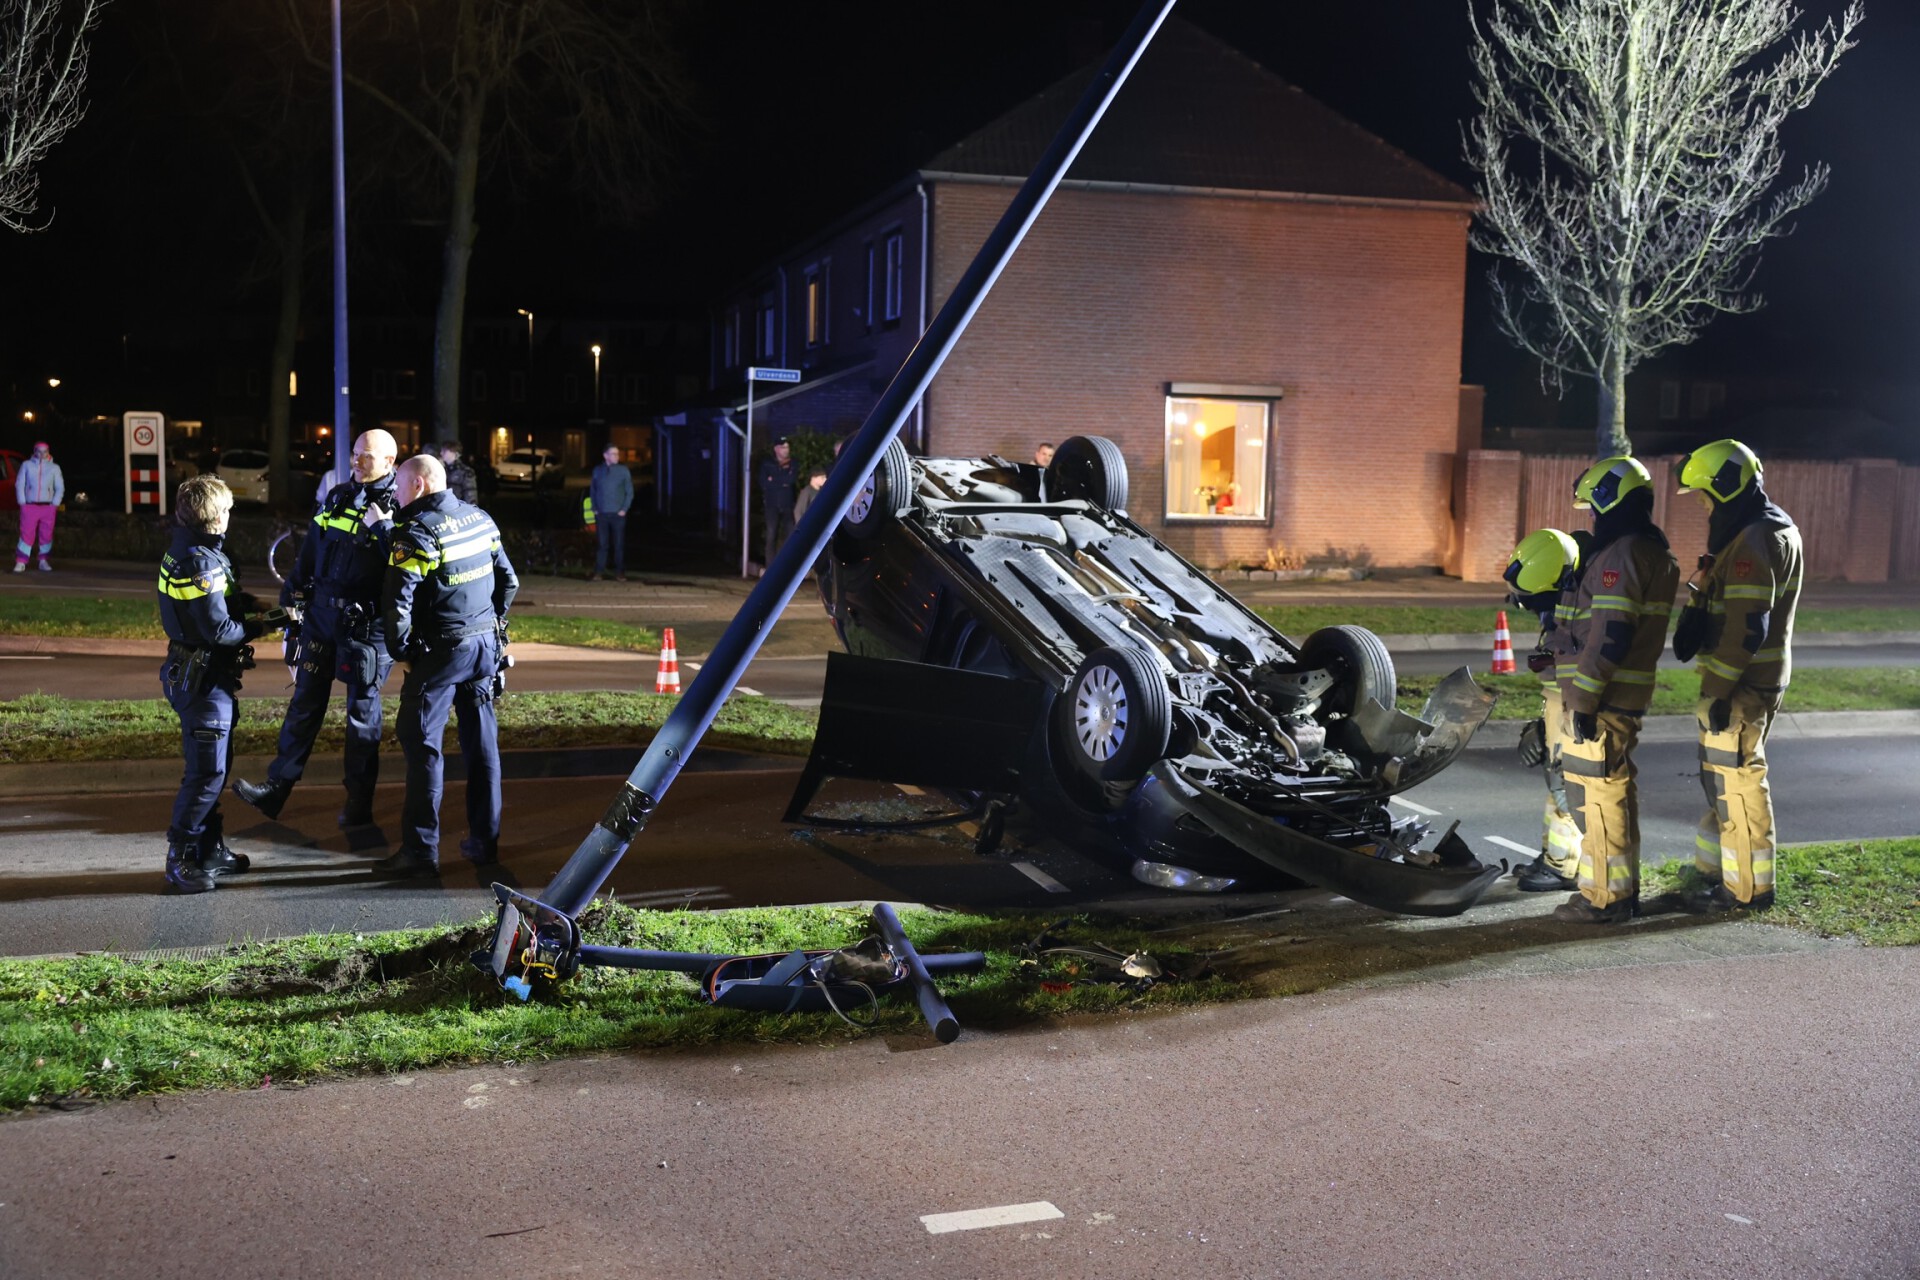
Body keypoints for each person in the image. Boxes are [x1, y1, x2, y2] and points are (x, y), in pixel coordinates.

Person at [232, 429, 401, 829]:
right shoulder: (338, 496)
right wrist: (291, 598)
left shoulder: (399, 506)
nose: (357, 462)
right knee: (304, 705)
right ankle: (276, 789)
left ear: (390, 462)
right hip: (322, 619)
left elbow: (404, 570)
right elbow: (310, 555)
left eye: (367, 457)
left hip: (365, 627)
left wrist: (385, 531)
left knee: (361, 717)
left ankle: (359, 802)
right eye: (355, 455)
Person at [1545, 456, 1679, 924]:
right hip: (1619, 696)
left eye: (1595, 507)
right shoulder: (1653, 550)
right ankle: (1614, 891)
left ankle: (1607, 898)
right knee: (1612, 795)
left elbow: (1610, 633)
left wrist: (1581, 699)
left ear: (1610, 500)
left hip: (1601, 700)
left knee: (1601, 801)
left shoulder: (1622, 554)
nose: (1591, 517)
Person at [1672, 438, 1802, 914]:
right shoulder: (1764, 527)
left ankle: (1748, 889)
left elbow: (1749, 625)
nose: (1703, 505)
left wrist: (1718, 692)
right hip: (1754, 677)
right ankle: (1714, 873)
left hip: (1743, 684)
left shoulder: (1753, 539)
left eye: (1705, 494)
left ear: (1724, 489)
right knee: (1723, 783)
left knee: (1741, 786)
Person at [377, 454, 518, 876]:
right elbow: (508, 581)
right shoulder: (480, 519)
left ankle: (420, 852)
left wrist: (402, 652)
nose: (395, 494)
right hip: (484, 648)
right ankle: (484, 844)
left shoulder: (416, 534)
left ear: (418, 486)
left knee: (422, 745)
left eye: (399, 486)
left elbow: (396, 603)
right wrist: (489, 624)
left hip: (441, 653)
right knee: (482, 745)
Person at [156, 475, 276, 893]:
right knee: (207, 772)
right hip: (203, 680)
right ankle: (182, 858)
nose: (229, 516)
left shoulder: (188, 549)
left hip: (201, 675)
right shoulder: (201, 562)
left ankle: (209, 850)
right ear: (213, 515)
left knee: (214, 768)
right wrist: (269, 623)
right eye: (225, 509)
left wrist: (258, 605)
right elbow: (219, 629)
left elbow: (219, 604)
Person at [1501, 527, 1586, 894]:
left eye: (1531, 600)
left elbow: (1575, 673)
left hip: (1574, 709)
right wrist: (1541, 723)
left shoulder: (1577, 615)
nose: (1525, 607)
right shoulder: (1564, 605)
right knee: (1557, 782)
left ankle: (1564, 866)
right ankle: (1555, 857)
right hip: (1560, 708)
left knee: (1566, 785)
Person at [13, 440, 64, 572]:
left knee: (46, 534)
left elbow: (59, 487)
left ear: (48, 452)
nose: (42, 454)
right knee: (26, 533)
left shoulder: (54, 468)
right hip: (30, 506)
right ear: (34, 452)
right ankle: (21, 561)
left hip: (48, 507)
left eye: (44, 451)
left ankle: (43, 560)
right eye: (39, 451)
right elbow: (20, 484)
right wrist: (22, 502)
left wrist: (55, 504)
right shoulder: (27, 465)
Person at [587, 443, 634, 581]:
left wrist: (624, 509)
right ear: (605, 455)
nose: (616, 456)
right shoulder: (598, 470)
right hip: (601, 514)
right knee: (602, 544)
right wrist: (594, 508)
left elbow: (629, 492)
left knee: (618, 544)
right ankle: (599, 572)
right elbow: (593, 490)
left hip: (618, 515)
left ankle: (619, 572)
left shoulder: (623, 471)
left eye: (617, 454)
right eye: (613, 454)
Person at [755, 435, 797, 569]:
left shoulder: (793, 463)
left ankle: (789, 566)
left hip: (787, 505)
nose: (786, 450)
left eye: (787, 447)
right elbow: (764, 483)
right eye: (784, 447)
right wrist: (781, 482)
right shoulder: (767, 463)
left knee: (790, 536)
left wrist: (774, 480)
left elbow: (790, 480)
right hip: (771, 506)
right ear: (776, 449)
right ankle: (770, 567)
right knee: (771, 535)